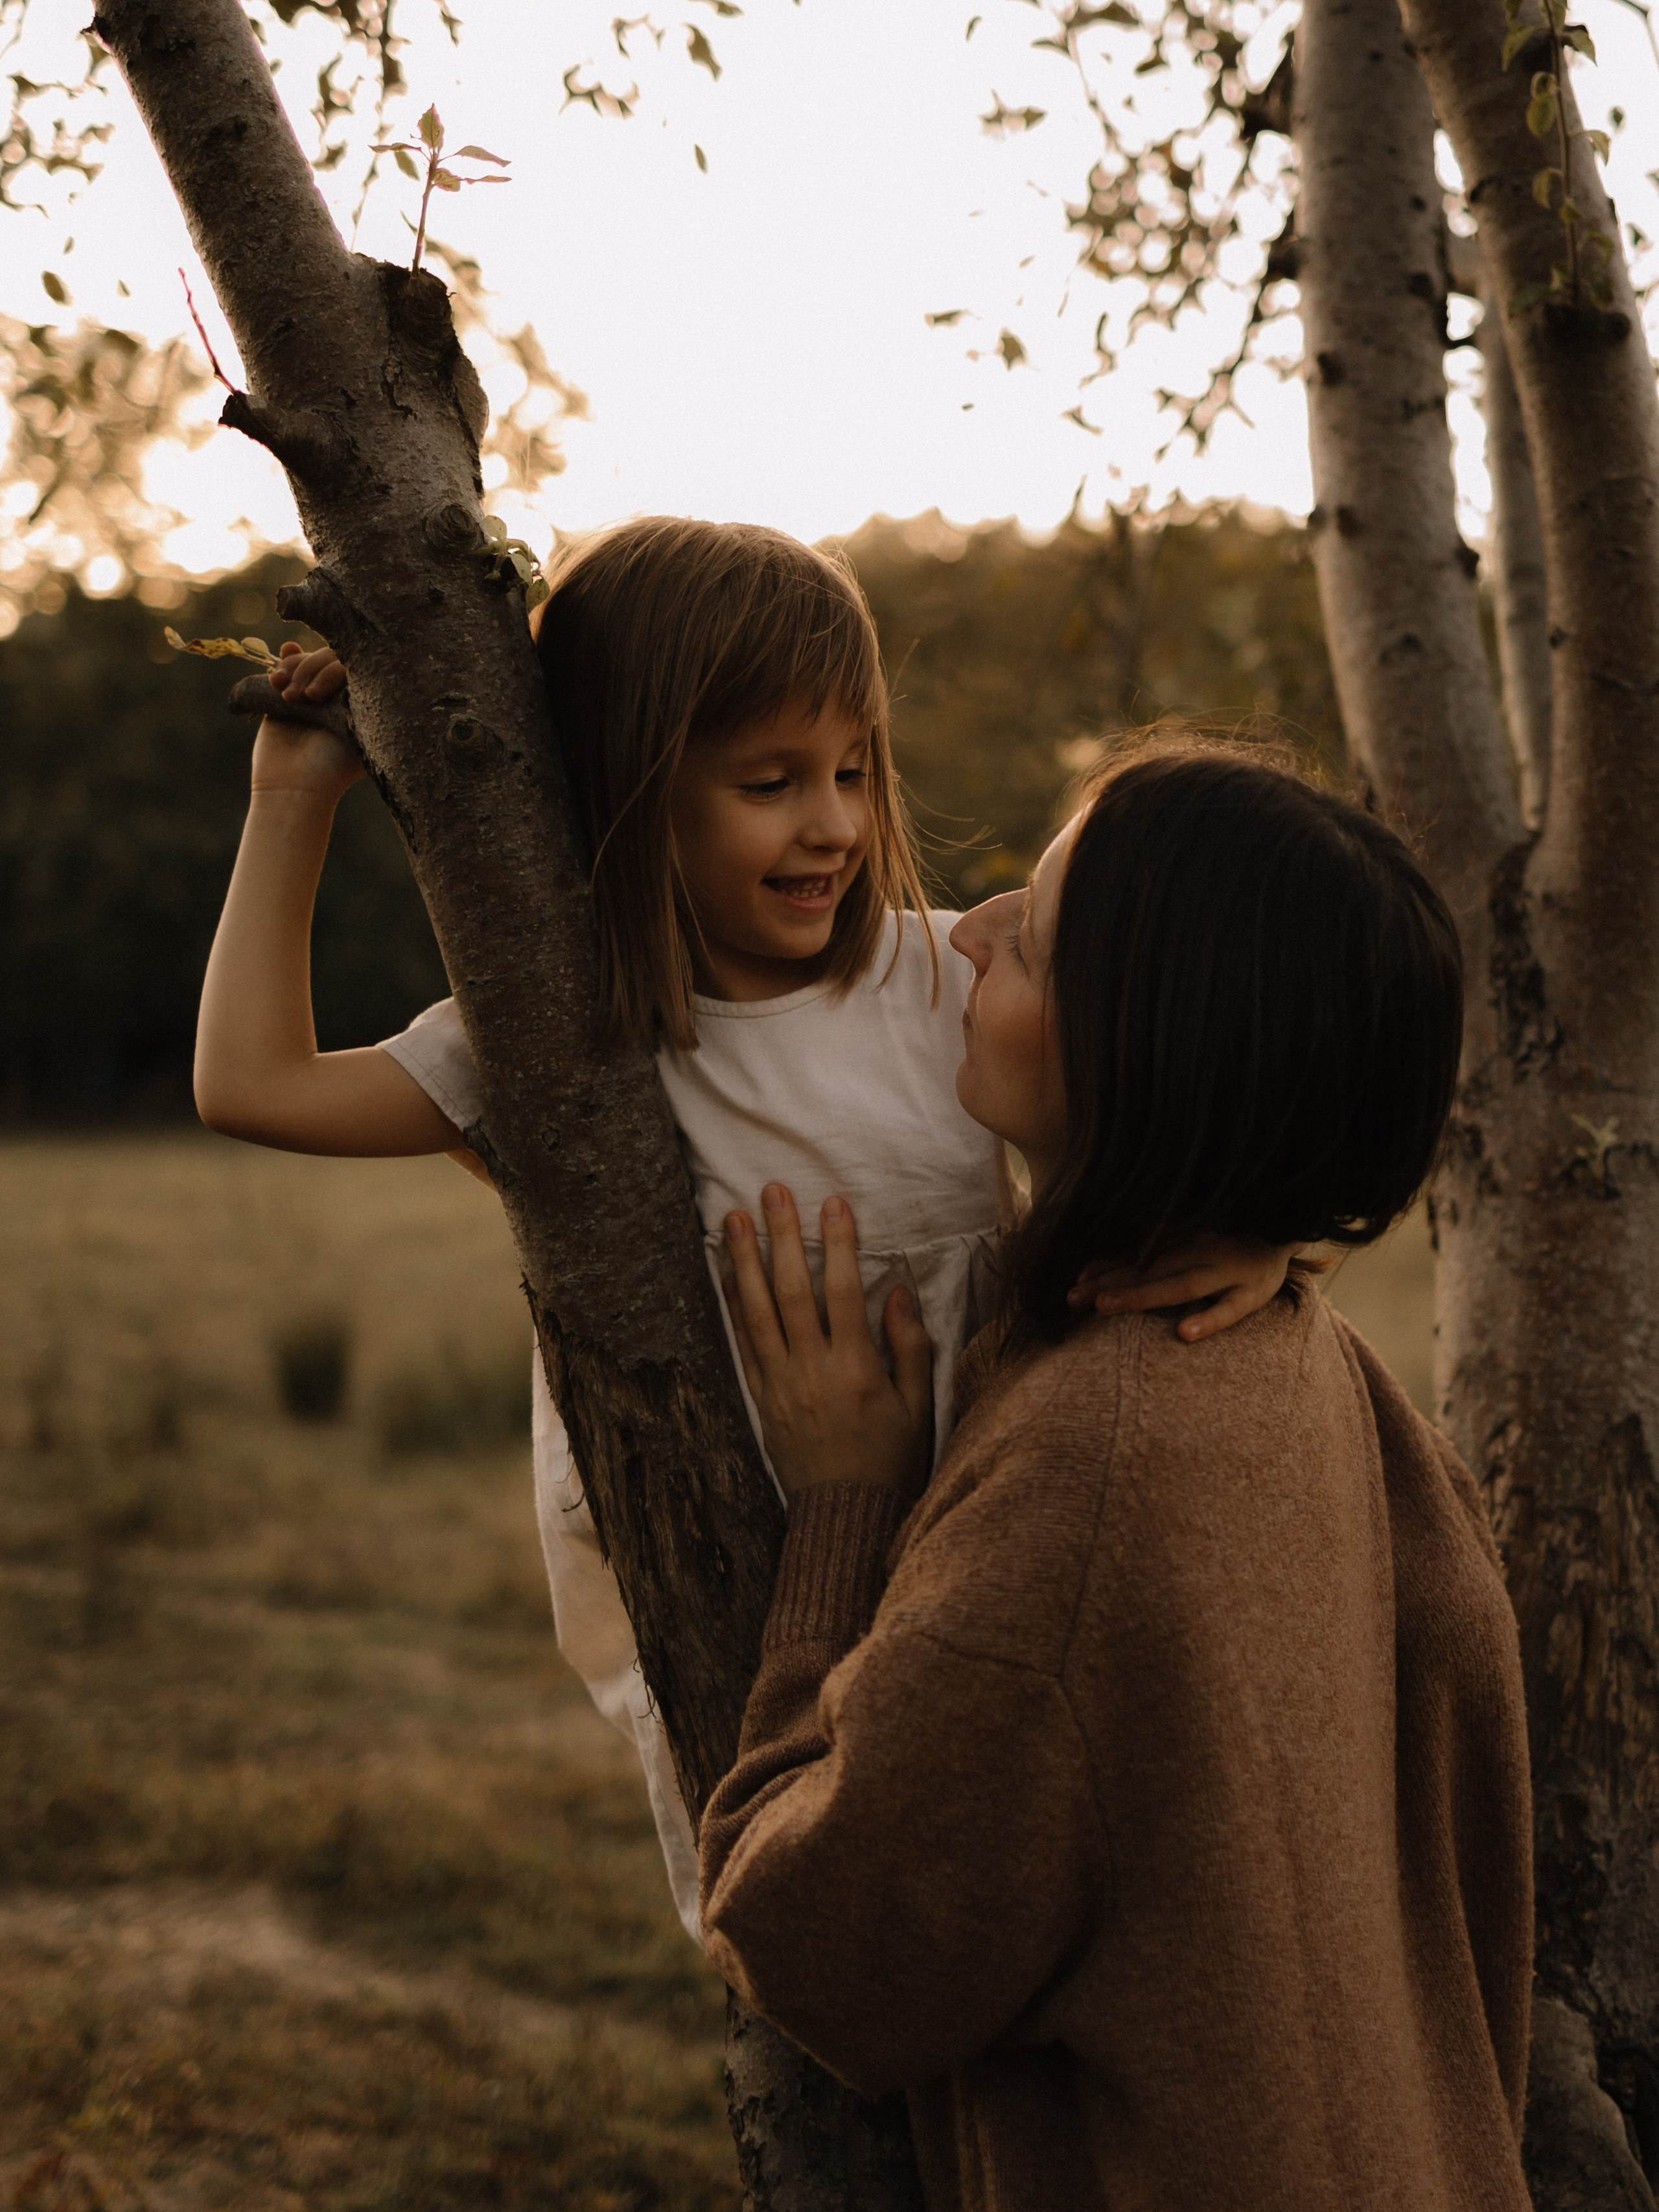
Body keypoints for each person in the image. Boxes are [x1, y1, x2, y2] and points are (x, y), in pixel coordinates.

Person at [193, 518, 1294, 1939]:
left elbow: (1179, 1090)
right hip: (735, 1591)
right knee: (809, 1918)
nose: (831, 822)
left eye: (851, 770)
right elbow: (252, 1085)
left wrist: (1263, 1239)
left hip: (990, 1531)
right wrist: (295, 795)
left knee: (1043, 1907)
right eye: (769, 783)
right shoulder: (561, 1042)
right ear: (626, 786)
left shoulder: (941, 980)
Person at [706, 742, 1534, 2211]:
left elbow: (826, 1951)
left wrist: (839, 1508)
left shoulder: (1087, 1481)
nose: (967, 929)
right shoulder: (1300, 1354)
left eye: (1029, 934)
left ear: (1134, 1047)